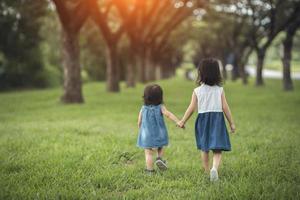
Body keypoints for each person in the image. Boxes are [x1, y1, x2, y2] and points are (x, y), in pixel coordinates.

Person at [177, 58, 236, 181]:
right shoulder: (219, 90)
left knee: (204, 148)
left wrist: (183, 121)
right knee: (217, 148)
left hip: (203, 121)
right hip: (217, 120)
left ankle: (206, 171)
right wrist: (231, 123)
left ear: (201, 73)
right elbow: (225, 107)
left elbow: (191, 108)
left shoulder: (197, 91)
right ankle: (214, 168)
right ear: (217, 73)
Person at [137, 84, 181, 174]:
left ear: (145, 97)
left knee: (148, 153)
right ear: (160, 97)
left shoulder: (143, 108)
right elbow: (168, 114)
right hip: (159, 132)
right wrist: (178, 121)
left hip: (147, 134)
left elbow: (139, 120)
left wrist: (140, 127)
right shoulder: (161, 107)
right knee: (160, 146)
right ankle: (159, 158)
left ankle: (150, 170)